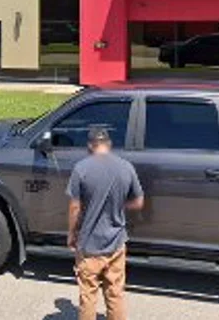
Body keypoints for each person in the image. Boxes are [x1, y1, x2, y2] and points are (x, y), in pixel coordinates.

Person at [66, 127, 145, 320]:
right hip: (116, 244)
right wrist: (119, 205)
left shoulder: (81, 168)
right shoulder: (126, 167)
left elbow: (75, 207)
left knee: (88, 296)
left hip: (89, 246)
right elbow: (138, 202)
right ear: (108, 144)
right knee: (115, 294)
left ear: (90, 146)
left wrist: (71, 234)